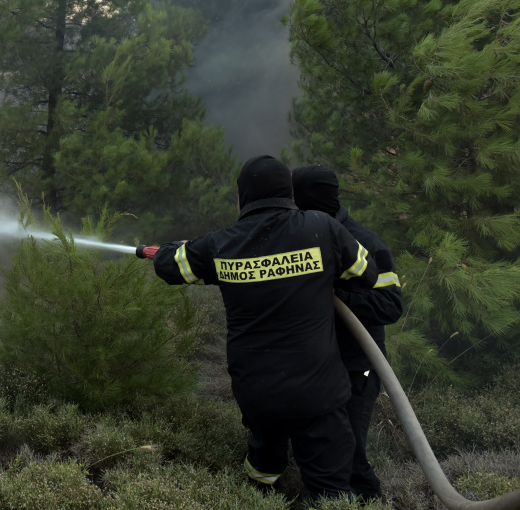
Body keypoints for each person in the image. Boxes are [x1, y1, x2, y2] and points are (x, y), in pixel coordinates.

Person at [144, 155, 384, 500]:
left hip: (256, 390)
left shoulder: (220, 244)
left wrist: (173, 249)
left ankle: (258, 495)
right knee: (330, 485)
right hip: (316, 389)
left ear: (242, 199)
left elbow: (171, 267)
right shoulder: (322, 227)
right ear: (290, 196)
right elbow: (366, 275)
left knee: (264, 457)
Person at [293, 164, 403, 502]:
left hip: (359, 367)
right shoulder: (299, 237)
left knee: (349, 449)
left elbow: (389, 305)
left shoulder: (365, 243)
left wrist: (334, 291)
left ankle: (371, 502)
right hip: (315, 365)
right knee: (314, 447)